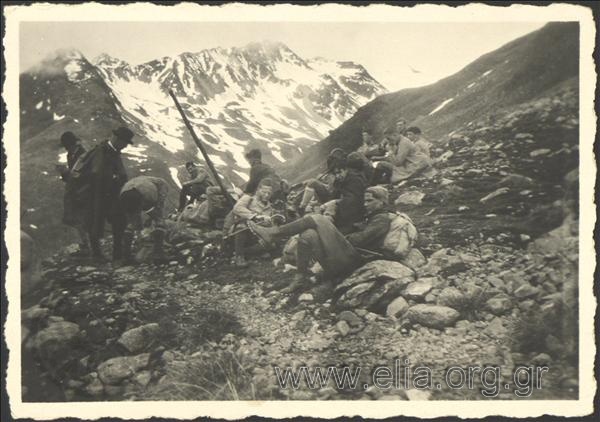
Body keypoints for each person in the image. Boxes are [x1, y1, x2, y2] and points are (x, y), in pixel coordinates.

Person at [249, 186, 392, 294]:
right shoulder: (372, 216)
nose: (365, 204)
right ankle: (300, 278)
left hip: (355, 261)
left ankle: (273, 234)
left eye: (370, 201)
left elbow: (360, 240)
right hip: (348, 257)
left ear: (383, 202)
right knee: (308, 234)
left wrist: (337, 236)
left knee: (317, 218)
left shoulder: (381, 219)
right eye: (365, 200)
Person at [79, 126, 134, 262]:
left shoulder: (113, 151)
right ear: (116, 138)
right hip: (97, 194)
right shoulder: (101, 151)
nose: (125, 146)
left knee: (119, 221)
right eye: (125, 142)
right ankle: (97, 254)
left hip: (112, 194)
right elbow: (96, 173)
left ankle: (117, 254)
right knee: (95, 221)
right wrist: (114, 178)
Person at [119, 175, 169, 265]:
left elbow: (143, 210)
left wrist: (147, 219)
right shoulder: (162, 184)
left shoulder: (145, 179)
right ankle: (158, 255)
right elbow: (158, 206)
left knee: (131, 223)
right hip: (144, 192)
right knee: (159, 220)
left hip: (124, 191)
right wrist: (155, 216)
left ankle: (126, 257)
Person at [56, 131, 89, 255]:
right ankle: (85, 243)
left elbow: (83, 175)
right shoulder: (70, 154)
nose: (67, 148)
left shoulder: (83, 154)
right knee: (74, 219)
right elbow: (71, 175)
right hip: (73, 191)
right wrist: (64, 173)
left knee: (81, 218)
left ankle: (88, 245)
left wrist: (66, 173)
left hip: (83, 191)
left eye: (67, 145)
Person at [230, 178, 275, 267]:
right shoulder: (248, 198)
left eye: (269, 193)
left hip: (257, 235)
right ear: (258, 190)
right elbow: (237, 208)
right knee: (242, 226)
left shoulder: (270, 208)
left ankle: (245, 252)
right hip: (242, 233)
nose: (266, 195)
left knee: (272, 244)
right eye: (264, 192)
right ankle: (239, 256)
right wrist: (255, 216)